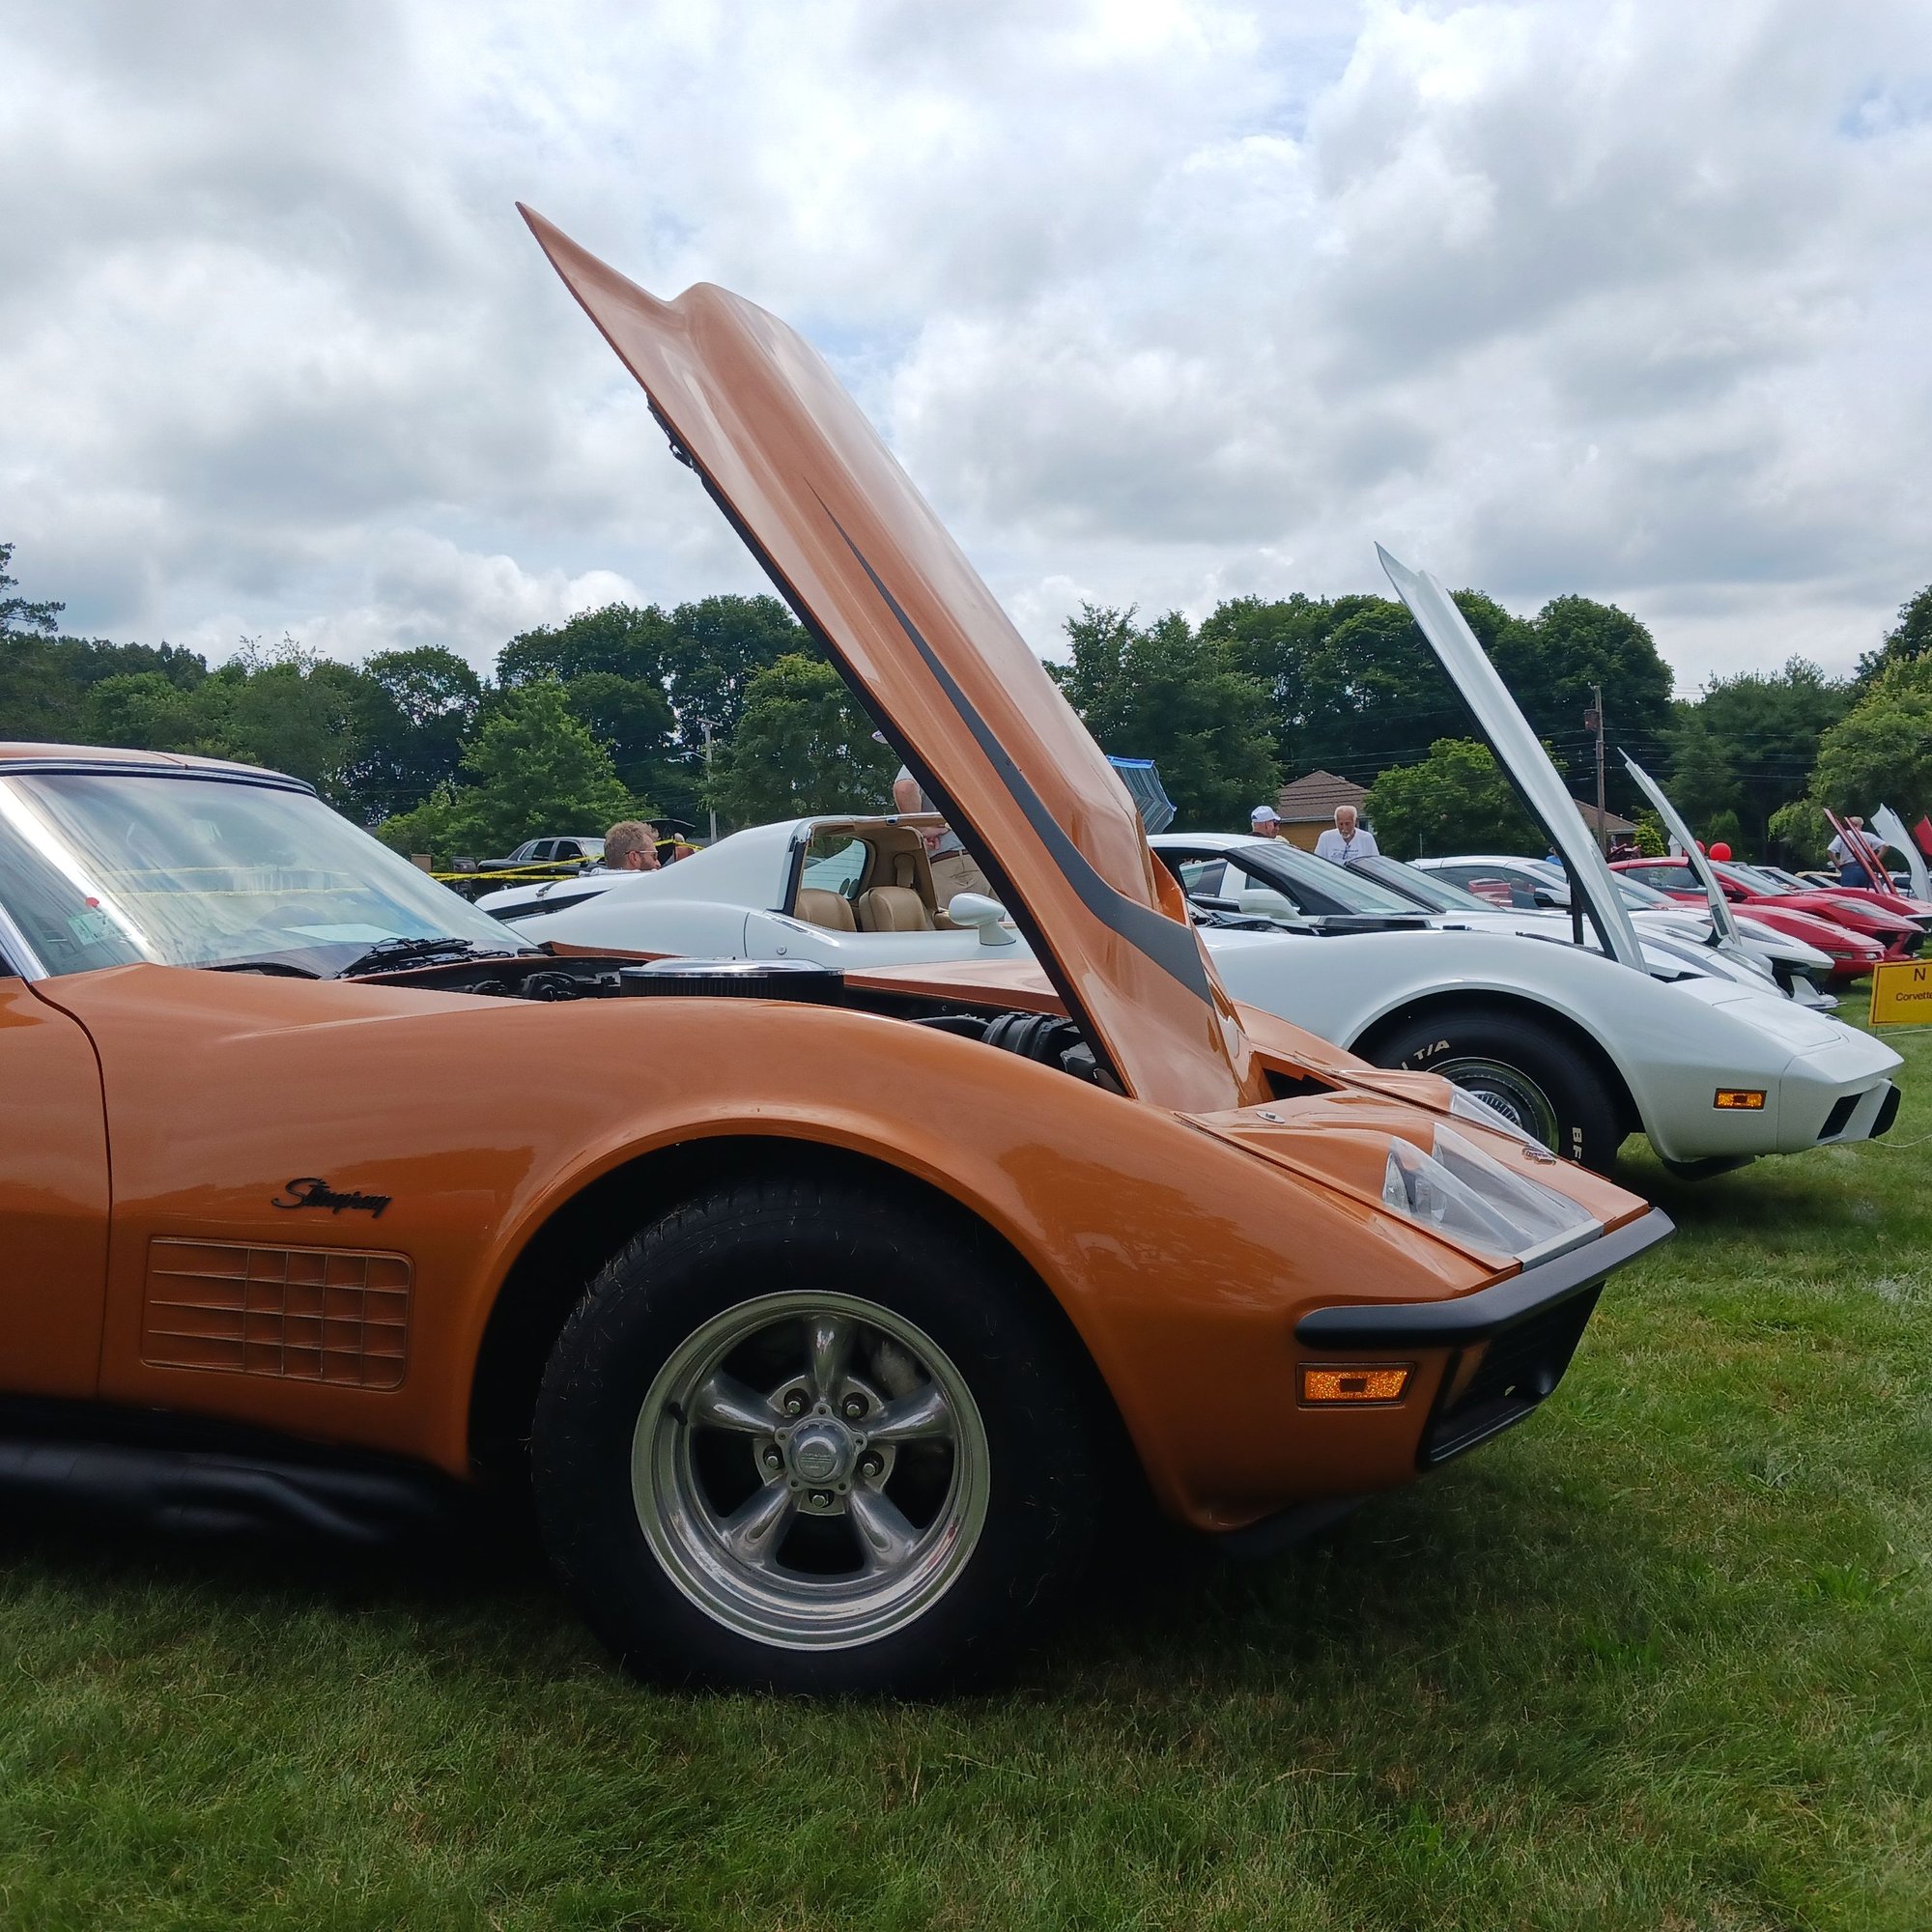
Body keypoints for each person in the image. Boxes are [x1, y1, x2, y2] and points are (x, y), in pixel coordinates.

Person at [893, 764, 991, 904]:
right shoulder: (978, 759)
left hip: (950, 866)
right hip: (991, 862)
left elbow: (904, 788)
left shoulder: (927, 757)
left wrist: (920, 829)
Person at [1314, 805, 1378, 865]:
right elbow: (1317, 863)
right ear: (1336, 823)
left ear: (1355, 822)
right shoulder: (1326, 837)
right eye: (1341, 824)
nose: (1344, 828)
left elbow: (1375, 864)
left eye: (1347, 824)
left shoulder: (1366, 838)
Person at [1828, 816, 1870, 889]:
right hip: (1865, 867)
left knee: (1849, 893)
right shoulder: (1868, 836)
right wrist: (1874, 861)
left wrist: (1837, 864)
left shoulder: (1842, 836)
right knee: (1865, 892)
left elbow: (1830, 850)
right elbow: (1885, 845)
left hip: (1848, 868)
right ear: (1860, 825)